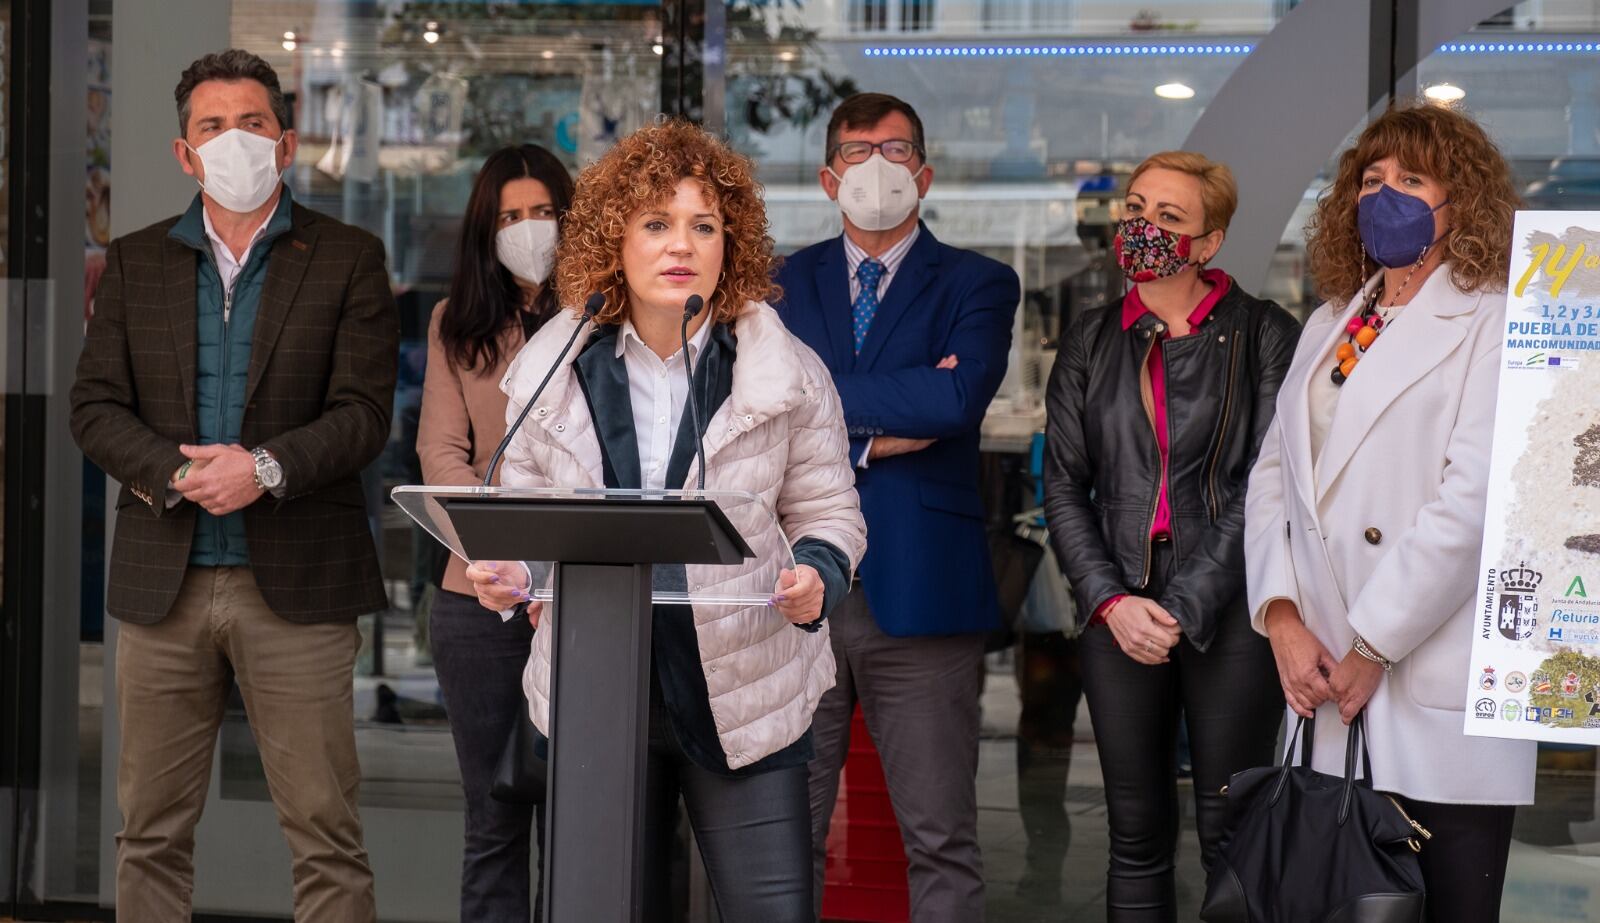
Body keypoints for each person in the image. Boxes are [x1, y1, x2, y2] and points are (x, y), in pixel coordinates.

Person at [464, 119, 866, 919]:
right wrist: (516, 573)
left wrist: (816, 574)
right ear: (615, 240)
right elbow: (535, 522)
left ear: (731, 244)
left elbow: (828, 509)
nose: (680, 243)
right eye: (656, 223)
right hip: (595, 688)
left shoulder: (785, 371)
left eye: (704, 225)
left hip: (746, 692)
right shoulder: (551, 369)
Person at [69, 49, 397, 922]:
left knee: (325, 833)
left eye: (252, 124)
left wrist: (263, 469)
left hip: (295, 585)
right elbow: (94, 408)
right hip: (163, 585)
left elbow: (365, 413)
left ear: (285, 143)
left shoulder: (350, 258)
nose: (233, 141)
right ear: (185, 153)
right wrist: (180, 473)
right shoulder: (136, 262)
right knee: (149, 834)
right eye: (212, 127)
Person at [1245, 103, 1535, 922]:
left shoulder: (1494, 318)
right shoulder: (1332, 320)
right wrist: (1282, 617)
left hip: (1426, 672)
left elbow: (1473, 501)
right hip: (1324, 671)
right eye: (1372, 180)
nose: (1387, 195)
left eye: (1412, 180)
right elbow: (1274, 478)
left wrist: (1373, 642)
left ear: (1461, 201)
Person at [774, 91, 1020, 921]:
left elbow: (953, 404)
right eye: (856, 151)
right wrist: (876, 433)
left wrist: (816, 405)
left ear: (925, 171)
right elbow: (755, 407)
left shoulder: (981, 281)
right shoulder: (773, 285)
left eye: (894, 149)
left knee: (940, 837)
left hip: (924, 592)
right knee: (782, 835)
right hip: (792, 590)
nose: (875, 167)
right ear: (824, 175)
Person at [1043, 151, 1298, 921]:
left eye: (1169, 218)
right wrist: (1110, 600)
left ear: (1209, 242)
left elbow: (1267, 483)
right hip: (1116, 610)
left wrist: (1184, 603)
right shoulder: (1091, 338)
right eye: (1136, 208)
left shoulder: (1262, 333)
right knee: (1135, 833)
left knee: (1233, 831)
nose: (1144, 228)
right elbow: (1062, 482)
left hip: (1229, 616)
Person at [417, 143, 574, 922]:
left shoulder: (606, 314)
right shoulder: (457, 322)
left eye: (542, 212)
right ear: (486, 229)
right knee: (495, 814)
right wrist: (505, 540)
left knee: (583, 814)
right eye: (510, 216)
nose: (527, 229)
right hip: (475, 600)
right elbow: (440, 453)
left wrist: (545, 543)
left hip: (583, 593)